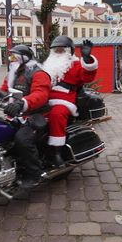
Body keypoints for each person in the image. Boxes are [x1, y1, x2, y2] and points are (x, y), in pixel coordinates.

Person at [0, 44, 51, 188]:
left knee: (22, 139)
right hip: (17, 115)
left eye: (14, 56)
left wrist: (22, 103)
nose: (12, 59)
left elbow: (40, 94)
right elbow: (3, 91)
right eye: (10, 56)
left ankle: (34, 174)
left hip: (37, 114)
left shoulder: (38, 73)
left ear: (24, 58)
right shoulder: (13, 73)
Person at [43, 36, 98, 168]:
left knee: (57, 114)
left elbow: (88, 76)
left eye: (62, 50)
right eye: (56, 50)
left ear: (70, 51)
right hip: (45, 97)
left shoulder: (76, 64)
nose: (58, 52)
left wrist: (87, 58)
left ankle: (57, 151)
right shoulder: (47, 65)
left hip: (64, 98)